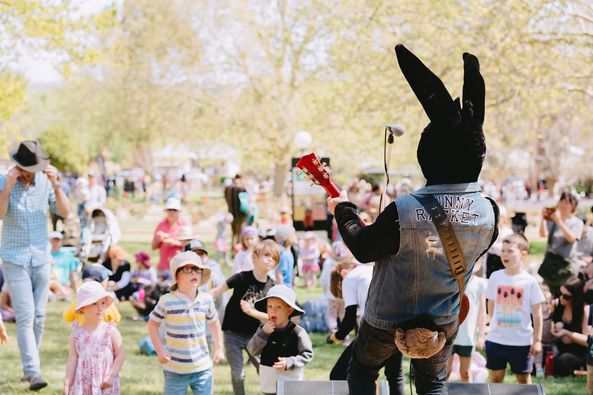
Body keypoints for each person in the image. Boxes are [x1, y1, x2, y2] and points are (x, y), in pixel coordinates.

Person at [327, 45, 498, 394]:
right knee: (433, 383)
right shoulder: (490, 212)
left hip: (386, 318)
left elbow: (362, 247)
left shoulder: (403, 210)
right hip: (443, 318)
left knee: (361, 372)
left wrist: (343, 209)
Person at [0, 140, 71, 390]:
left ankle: (31, 365)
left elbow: (65, 211)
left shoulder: (45, 182)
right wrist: (7, 187)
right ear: (18, 166)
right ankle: (33, 372)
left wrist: (56, 186)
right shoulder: (4, 180)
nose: (31, 173)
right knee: (26, 314)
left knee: (39, 317)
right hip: (14, 257)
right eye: (27, 168)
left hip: (41, 257)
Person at [148, 251, 224, 395]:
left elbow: (214, 324)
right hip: (175, 369)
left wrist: (219, 348)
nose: (194, 273)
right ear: (177, 276)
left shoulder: (206, 300)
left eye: (197, 269)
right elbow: (152, 324)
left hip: (202, 368)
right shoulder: (167, 301)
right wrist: (159, 350)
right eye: (188, 269)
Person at [210, 240, 279, 395]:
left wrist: (252, 312)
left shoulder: (273, 287)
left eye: (274, 257)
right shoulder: (241, 278)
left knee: (265, 370)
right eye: (266, 255)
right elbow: (216, 292)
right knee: (238, 373)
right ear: (254, 257)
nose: (270, 259)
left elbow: (272, 317)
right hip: (232, 334)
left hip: (256, 336)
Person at [485, 234, 544, 384]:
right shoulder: (495, 277)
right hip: (496, 339)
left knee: (523, 379)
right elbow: (490, 303)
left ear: (523, 255)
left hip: (521, 342)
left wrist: (537, 340)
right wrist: (492, 324)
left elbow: (537, 314)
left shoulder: (530, 281)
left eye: (510, 251)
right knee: (496, 377)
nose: (505, 254)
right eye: (503, 251)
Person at [247, 285, 313, 395]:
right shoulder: (263, 330)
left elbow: (307, 354)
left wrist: (289, 362)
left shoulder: (297, 332)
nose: (273, 311)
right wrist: (263, 333)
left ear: (289, 310)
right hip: (269, 386)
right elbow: (252, 350)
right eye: (270, 307)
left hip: (291, 387)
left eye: (278, 307)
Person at [63, 281, 124, 395]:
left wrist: (112, 376)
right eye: (94, 304)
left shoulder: (110, 331)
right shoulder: (76, 334)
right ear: (82, 309)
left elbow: (120, 354)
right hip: (83, 383)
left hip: (104, 382)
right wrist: (67, 383)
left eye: (102, 303)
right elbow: (72, 359)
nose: (100, 307)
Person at [447, 258, 487, 382]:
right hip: (450, 335)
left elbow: (482, 312)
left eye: (477, 260)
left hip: (467, 338)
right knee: (445, 373)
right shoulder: (451, 282)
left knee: (465, 373)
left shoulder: (479, 283)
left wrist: (481, 335)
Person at [538, 192, 584, 296]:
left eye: (567, 202)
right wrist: (543, 219)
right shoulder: (553, 220)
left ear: (573, 206)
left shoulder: (577, 222)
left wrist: (559, 221)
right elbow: (543, 234)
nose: (563, 205)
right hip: (551, 265)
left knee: (565, 296)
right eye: (561, 201)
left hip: (566, 267)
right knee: (549, 295)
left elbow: (571, 238)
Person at [550, 276, 590, 376]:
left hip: (578, 351)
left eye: (566, 296)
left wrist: (567, 333)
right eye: (559, 293)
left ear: (575, 297)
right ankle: (579, 371)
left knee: (563, 361)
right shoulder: (556, 304)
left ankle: (580, 372)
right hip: (558, 348)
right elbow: (548, 322)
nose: (561, 298)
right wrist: (553, 328)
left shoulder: (584, 310)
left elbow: (587, 341)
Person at [152, 197, 191, 279]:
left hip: (180, 267)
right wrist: (157, 239)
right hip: (163, 266)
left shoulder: (185, 225)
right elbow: (153, 247)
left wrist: (175, 243)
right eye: (169, 209)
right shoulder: (161, 225)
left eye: (174, 210)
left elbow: (192, 244)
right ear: (166, 211)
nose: (172, 212)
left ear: (179, 211)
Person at [225, 174, 248, 246]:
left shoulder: (228, 188)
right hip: (241, 215)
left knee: (234, 233)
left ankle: (233, 249)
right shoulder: (242, 188)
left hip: (231, 214)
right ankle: (237, 250)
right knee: (239, 233)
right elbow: (246, 201)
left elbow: (226, 198)